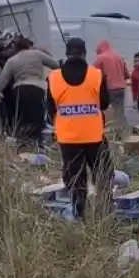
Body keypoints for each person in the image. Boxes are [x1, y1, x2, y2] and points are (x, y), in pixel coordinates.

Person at [46, 37, 112, 219]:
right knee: (103, 173)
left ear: (67, 54)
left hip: (68, 137)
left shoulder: (54, 78)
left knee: (75, 177)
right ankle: (105, 211)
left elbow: (50, 109)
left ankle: (79, 212)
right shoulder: (96, 75)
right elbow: (104, 104)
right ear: (84, 53)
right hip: (94, 135)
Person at [0, 37, 58, 147]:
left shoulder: (12, 60)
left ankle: (23, 142)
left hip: (20, 90)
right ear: (29, 46)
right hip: (36, 89)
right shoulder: (37, 54)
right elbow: (55, 64)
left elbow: (3, 80)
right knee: (37, 117)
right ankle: (36, 142)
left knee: (23, 117)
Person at [93, 40, 130, 134]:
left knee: (109, 113)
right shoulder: (119, 57)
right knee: (119, 111)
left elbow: (94, 76)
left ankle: (111, 134)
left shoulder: (100, 58)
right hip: (121, 88)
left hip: (109, 89)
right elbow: (126, 75)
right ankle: (123, 132)